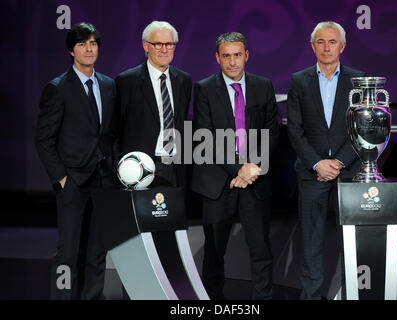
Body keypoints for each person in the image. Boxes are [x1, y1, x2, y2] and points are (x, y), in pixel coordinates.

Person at [191, 32, 279, 300]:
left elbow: (272, 131)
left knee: (261, 250)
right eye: (226, 56)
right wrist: (237, 169)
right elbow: (205, 135)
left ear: (246, 55)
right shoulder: (204, 88)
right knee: (215, 252)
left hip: (255, 181)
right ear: (217, 58)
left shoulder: (263, 86)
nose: (232, 62)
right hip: (220, 181)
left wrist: (253, 168)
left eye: (237, 55)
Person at [35, 22, 119, 299]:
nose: (88, 49)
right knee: (68, 253)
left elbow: (110, 133)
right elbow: (44, 140)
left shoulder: (107, 85)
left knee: (97, 253)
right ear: (71, 51)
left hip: (103, 181)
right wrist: (62, 178)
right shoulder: (57, 88)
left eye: (93, 43)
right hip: (73, 182)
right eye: (82, 44)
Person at [286, 21, 365, 300]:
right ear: (312, 46)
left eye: (332, 42)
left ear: (342, 46)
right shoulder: (299, 80)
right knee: (310, 243)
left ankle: (350, 294)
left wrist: (338, 163)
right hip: (312, 173)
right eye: (321, 42)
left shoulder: (358, 80)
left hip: (349, 171)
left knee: (352, 243)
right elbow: (294, 129)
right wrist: (318, 164)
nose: (326, 47)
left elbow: (361, 128)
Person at [115, 21, 192, 187]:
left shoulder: (184, 80)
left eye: (169, 44)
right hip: (139, 168)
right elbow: (115, 129)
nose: (164, 49)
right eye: (158, 44)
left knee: (176, 213)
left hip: (175, 167)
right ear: (145, 46)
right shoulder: (127, 81)